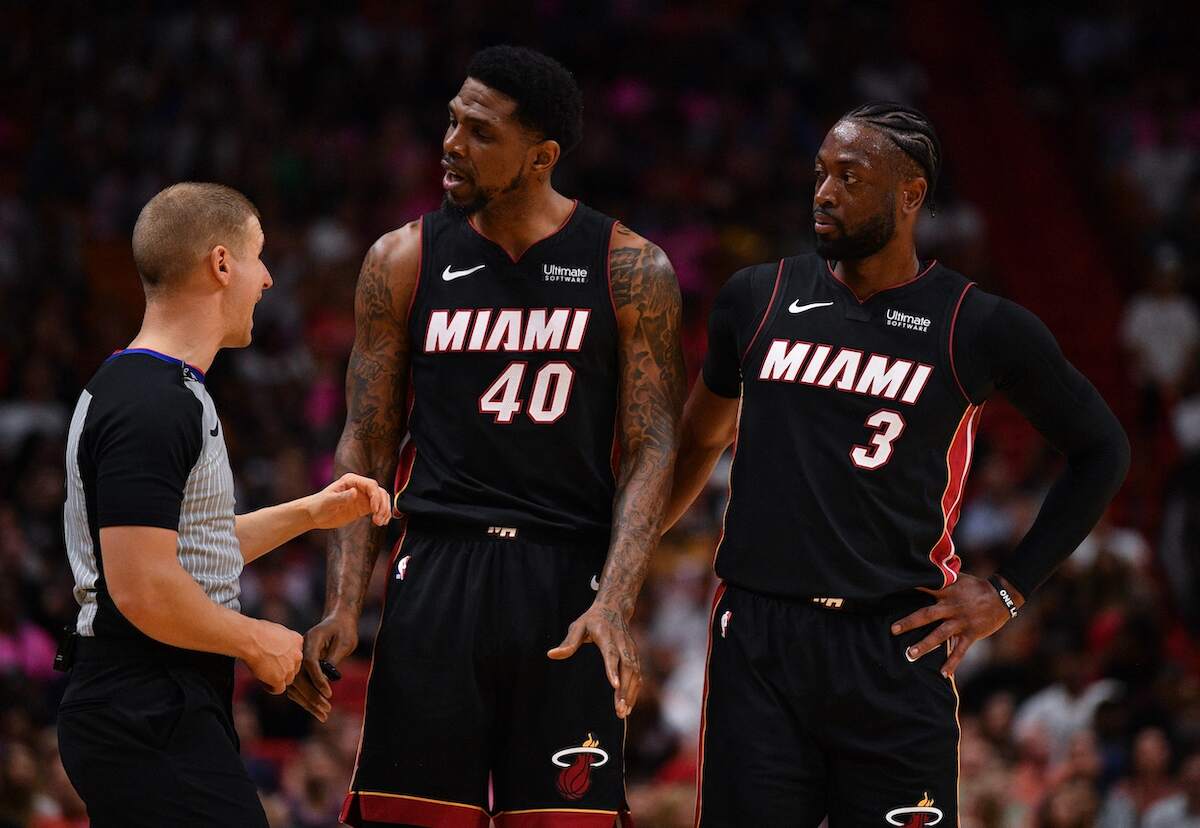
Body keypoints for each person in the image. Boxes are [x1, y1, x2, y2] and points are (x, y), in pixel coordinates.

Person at [665, 103, 1130, 826]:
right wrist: (623, 558)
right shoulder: (756, 298)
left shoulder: (976, 324)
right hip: (759, 639)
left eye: (849, 177)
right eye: (820, 173)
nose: (824, 191)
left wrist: (1008, 591)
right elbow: (696, 443)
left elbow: (1103, 450)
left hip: (892, 645)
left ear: (910, 195)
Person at [286, 46, 685, 827]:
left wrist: (615, 601)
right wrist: (343, 603)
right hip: (438, 569)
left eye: (479, 131)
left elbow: (652, 448)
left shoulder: (631, 267)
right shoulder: (401, 260)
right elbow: (365, 442)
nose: (451, 143)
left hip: (567, 577)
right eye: (451, 121)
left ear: (541, 157)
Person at [55, 183, 392, 827]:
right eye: (259, 256)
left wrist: (311, 514)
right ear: (220, 264)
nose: (267, 278)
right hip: (144, 702)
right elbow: (144, 586)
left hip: (151, 702)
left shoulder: (157, 387)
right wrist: (255, 639)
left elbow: (183, 549)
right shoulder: (152, 404)